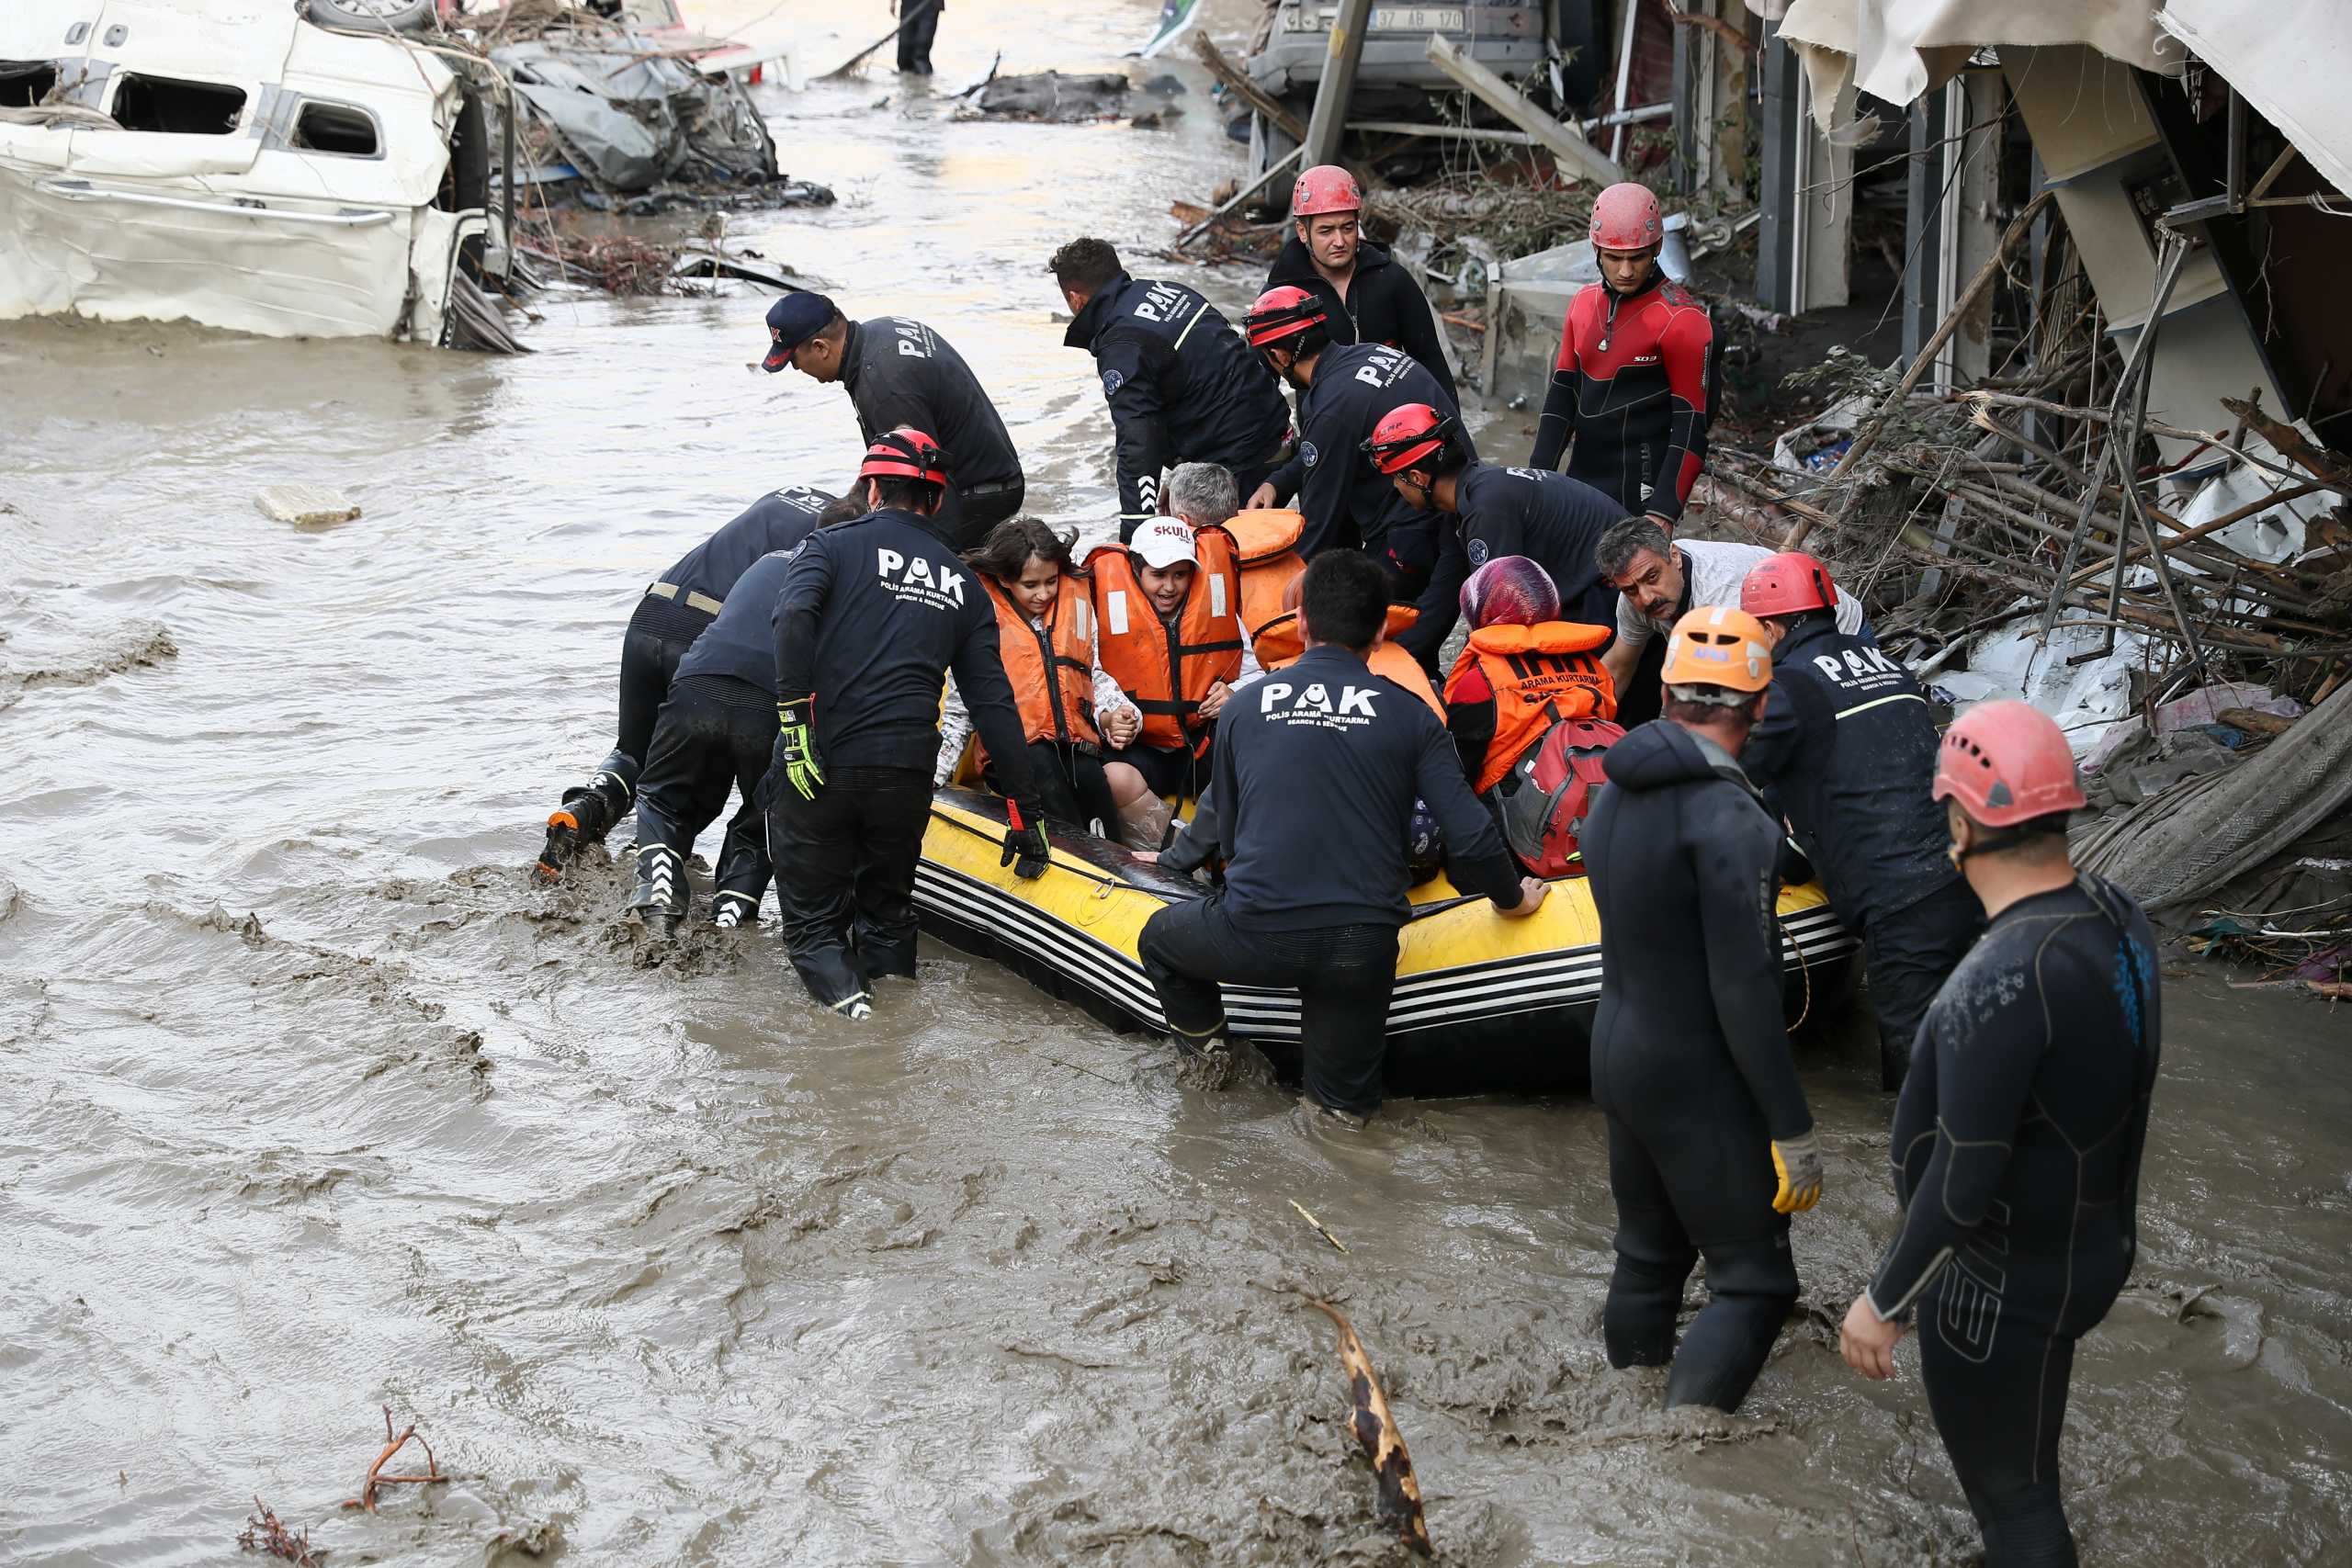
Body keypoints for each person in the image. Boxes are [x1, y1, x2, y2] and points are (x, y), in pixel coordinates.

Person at [1839, 700, 2161, 1568]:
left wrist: (1885, 1301)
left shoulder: (2000, 978)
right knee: (2025, 1464)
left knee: (2013, 1503)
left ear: (1959, 820)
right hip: (2090, 1249)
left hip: (1997, 1288)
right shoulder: (2117, 912)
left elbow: (1962, 1177)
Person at [1138, 550, 1545, 1122]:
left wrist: (1168, 863)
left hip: (1258, 931)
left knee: (1159, 939)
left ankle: (1212, 1064)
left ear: (1301, 622)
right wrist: (1512, 898)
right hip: (1361, 947)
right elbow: (1471, 834)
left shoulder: (1245, 707)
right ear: (1381, 632)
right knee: (1341, 1120)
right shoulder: (1413, 715)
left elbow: (1216, 819)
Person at [1582, 605, 1825, 1413]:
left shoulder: (1613, 791)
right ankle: (1681, 1458)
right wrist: (1791, 1128)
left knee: (1649, 1257)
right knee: (1755, 1283)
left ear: (1664, 688)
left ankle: (1627, 1412)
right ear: (1761, 705)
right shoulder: (1728, 817)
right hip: (1693, 1074)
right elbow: (1745, 987)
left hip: (1617, 1052)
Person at [766, 428, 1049, 1021]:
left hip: (821, 759)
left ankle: (864, 1030)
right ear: (938, 500)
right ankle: (899, 1020)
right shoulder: (965, 585)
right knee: (887, 915)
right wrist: (1025, 813)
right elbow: (995, 705)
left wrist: (795, 725)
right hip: (908, 773)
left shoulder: (830, 547)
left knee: (815, 930)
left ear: (872, 489)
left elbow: (791, 616)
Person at [1739, 552, 1982, 1089]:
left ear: (1771, 628)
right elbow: (1850, 766)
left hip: (1904, 900)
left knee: (1916, 1092)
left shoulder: (1788, 689)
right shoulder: (1889, 667)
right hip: (1972, 876)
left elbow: (1726, 769)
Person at [537, 482, 847, 878]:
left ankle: (585, 809)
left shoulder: (790, 493)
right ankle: (655, 868)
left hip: (654, 608)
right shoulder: (846, 538)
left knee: (634, 750)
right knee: (700, 776)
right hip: (712, 634)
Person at [1241, 286, 1469, 610]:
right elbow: (1325, 445)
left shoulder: (1332, 408)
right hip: (1457, 507)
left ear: (1278, 356)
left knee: (1363, 631)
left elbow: (1319, 521)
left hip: (1412, 532)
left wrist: (1279, 595)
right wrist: (1277, 482)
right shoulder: (1368, 354)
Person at [1049, 238, 1290, 538]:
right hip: (1274, 426)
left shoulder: (1121, 344)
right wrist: (1179, 476)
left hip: (1241, 458)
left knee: (1226, 567)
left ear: (1075, 299)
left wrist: (1135, 535)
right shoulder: (1167, 289)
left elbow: (1138, 443)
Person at [938, 517, 1157, 845]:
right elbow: (960, 710)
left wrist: (1120, 714)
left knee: (1090, 779)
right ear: (1005, 579)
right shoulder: (980, 619)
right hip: (1014, 756)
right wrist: (935, 773)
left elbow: (1091, 674)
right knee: (1042, 770)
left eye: (1051, 582)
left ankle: (1116, 863)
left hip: (1072, 747)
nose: (1044, 594)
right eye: (1031, 585)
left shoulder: (1075, 605)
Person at [623, 547, 804, 937]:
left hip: (697, 683)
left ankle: (658, 898)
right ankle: (731, 916)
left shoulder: (768, 560)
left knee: (662, 799)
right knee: (763, 817)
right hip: (770, 701)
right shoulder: (845, 576)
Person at [1363, 400, 1624, 662]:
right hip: (1595, 584)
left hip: (1610, 595)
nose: (1395, 487)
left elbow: (1497, 620)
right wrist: (1389, 660)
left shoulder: (1487, 509)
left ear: (1417, 477)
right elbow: (1442, 596)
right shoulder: (1471, 496)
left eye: (1395, 478)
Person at [761, 292, 1024, 548]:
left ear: (820, 348)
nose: (797, 369)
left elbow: (924, 486)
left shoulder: (884, 388)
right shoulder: (878, 333)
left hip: (980, 494)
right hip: (987, 473)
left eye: (794, 360)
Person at [1527, 181, 1716, 527]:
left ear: (1657, 247)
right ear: (1595, 249)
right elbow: (1561, 398)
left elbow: (1692, 426)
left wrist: (1663, 512)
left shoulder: (1683, 320)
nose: (1626, 271)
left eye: (1637, 257)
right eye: (1614, 258)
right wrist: (1535, 480)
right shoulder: (1583, 304)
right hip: (1579, 482)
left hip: (1640, 496)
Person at [1594, 516, 1865, 728]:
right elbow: (1619, 665)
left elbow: (1744, 691)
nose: (1645, 597)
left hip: (1835, 632)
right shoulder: (1636, 595)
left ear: (1674, 556)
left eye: (1652, 577)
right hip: (1764, 646)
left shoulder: (1721, 596)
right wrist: (1581, 718)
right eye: (1630, 589)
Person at [1442, 557, 1618, 875]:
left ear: (1484, 613)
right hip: (1595, 810)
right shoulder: (1595, 667)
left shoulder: (1479, 681)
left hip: (1515, 830)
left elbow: (1458, 771)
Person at [1082, 516, 1245, 818]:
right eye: (1158, 574)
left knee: (1252, 751)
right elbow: (1087, 680)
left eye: (1180, 575)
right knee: (1111, 778)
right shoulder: (1101, 613)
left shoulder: (1218, 610)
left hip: (1201, 744)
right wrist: (1110, 720)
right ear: (1135, 570)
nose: (1169, 587)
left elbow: (1255, 672)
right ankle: (1170, 848)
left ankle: (1223, 842)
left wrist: (1234, 693)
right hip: (1141, 750)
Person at [1263, 164, 1456, 408]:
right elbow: (1261, 381)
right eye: (1326, 231)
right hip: (1325, 428)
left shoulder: (1392, 280)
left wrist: (1453, 433)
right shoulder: (1281, 297)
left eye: (1347, 228)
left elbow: (1431, 361)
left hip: (1393, 427)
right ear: (1303, 232)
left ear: (1358, 224)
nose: (1339, 241)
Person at [892, 0, 941, 74]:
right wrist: (893, 2)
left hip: (930, 5)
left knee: (920, 51)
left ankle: (923, 81)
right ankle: (907, 82)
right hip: (908, 4)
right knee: (904, 52)